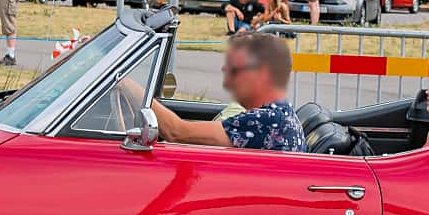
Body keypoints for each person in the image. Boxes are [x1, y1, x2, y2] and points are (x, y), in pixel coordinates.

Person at [127, 31, 306, 151]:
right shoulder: (281, 113)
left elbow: (177, 132)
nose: (225, 70)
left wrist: (126, 84)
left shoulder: (268, 121)